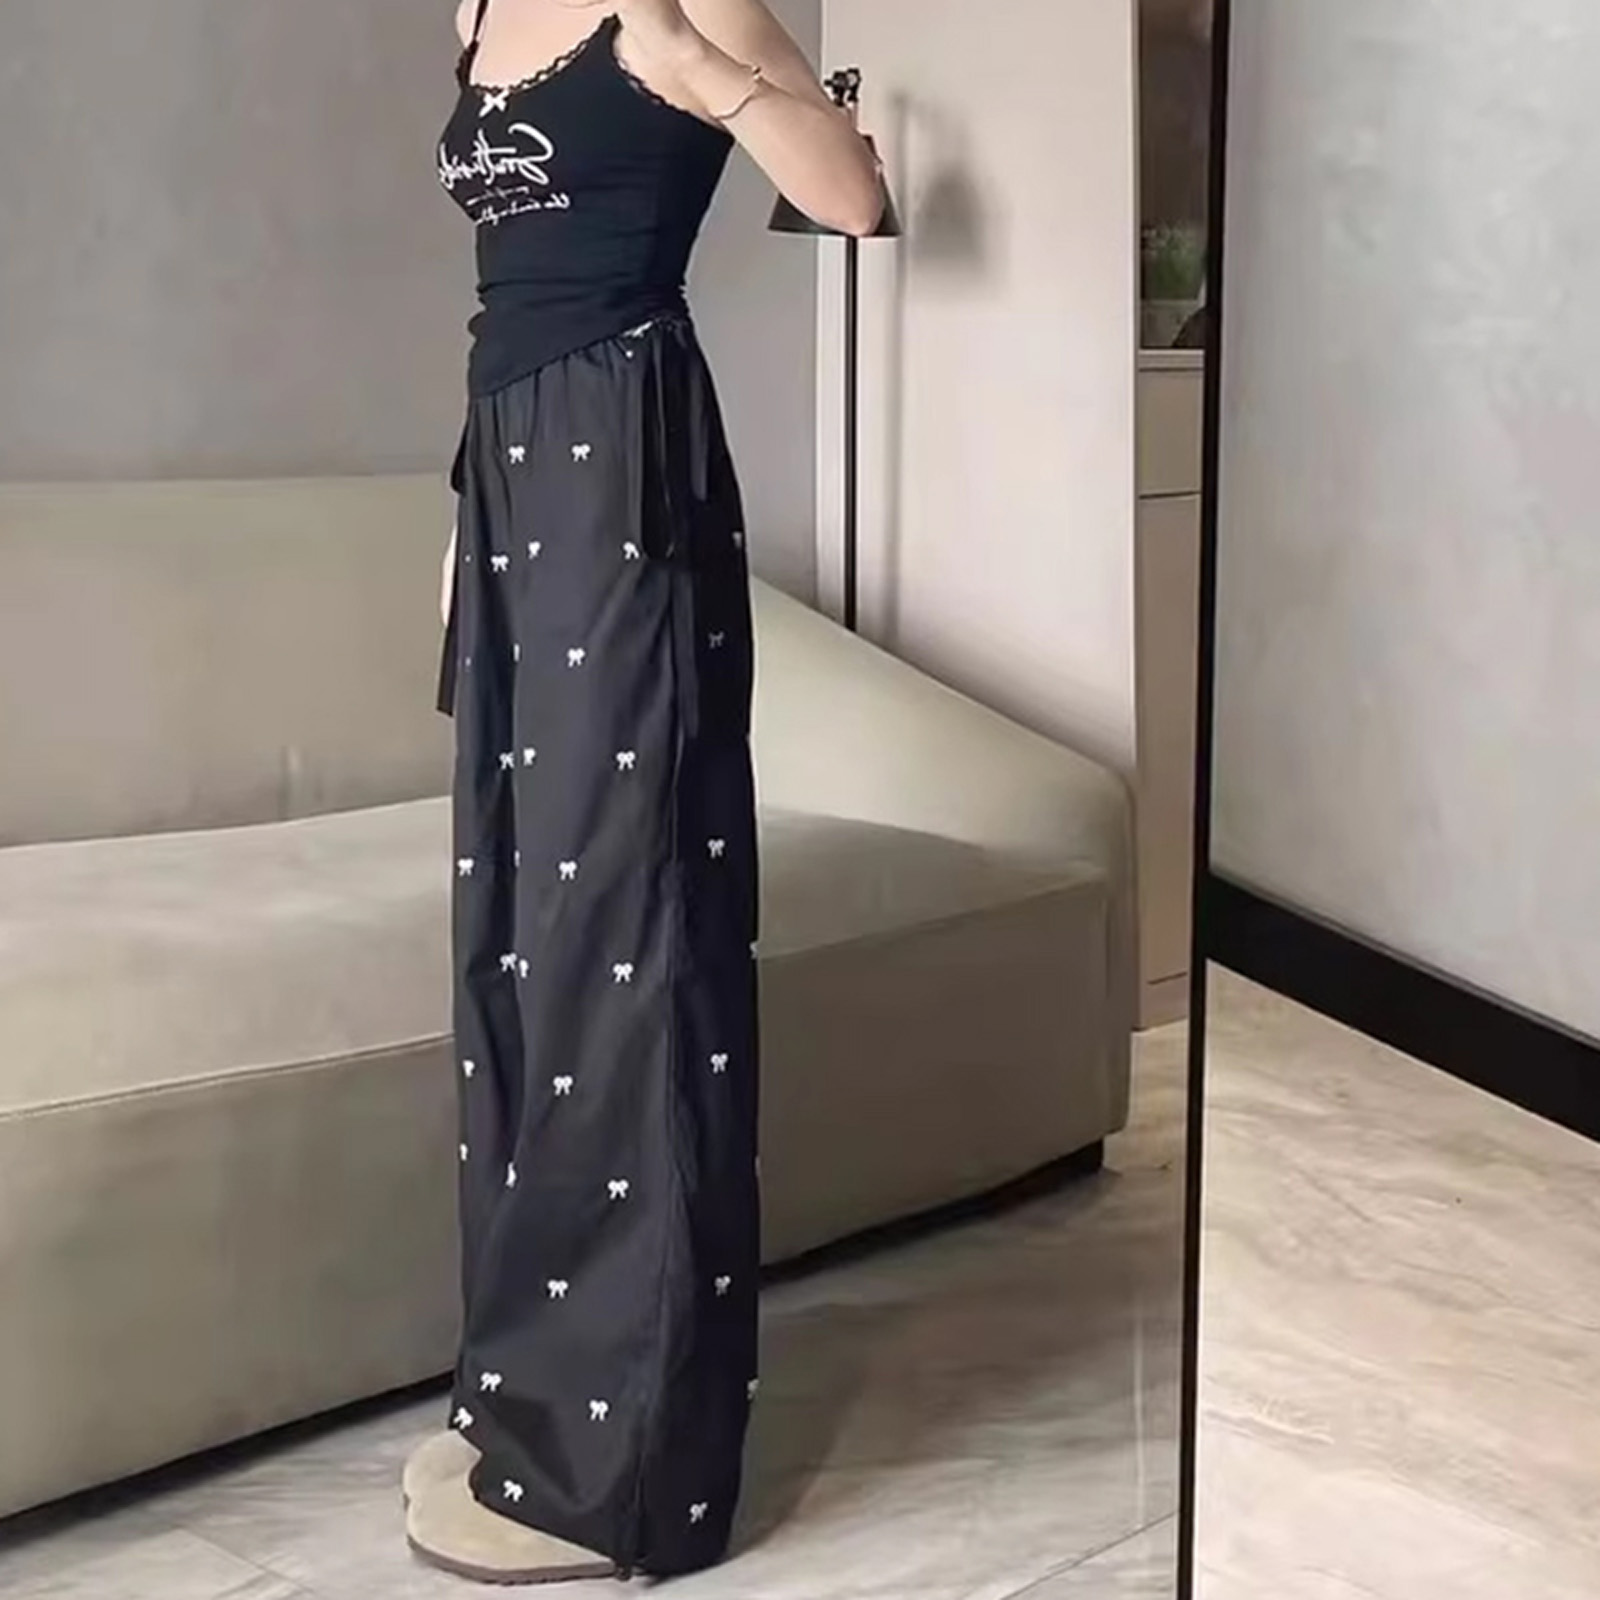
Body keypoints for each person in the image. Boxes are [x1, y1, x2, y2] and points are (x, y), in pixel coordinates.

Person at [407, 0, 884, 1584]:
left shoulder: (688, 1)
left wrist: (695, 72)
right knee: (521, 942)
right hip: (510, 469)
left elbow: (850, 198)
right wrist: (463, 528)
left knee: (629, 929)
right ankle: (524, 1391)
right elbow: (505, 294)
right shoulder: (477, 7)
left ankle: (621, 1469)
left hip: (622, 450)